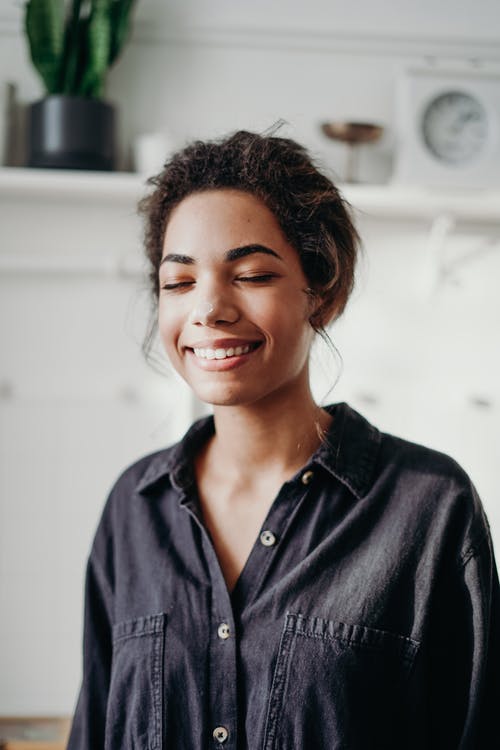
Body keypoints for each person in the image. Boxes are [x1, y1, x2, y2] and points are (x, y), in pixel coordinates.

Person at [67, 128, 499, 750]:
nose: (208, 308)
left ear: (321, 293)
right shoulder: (133, 507)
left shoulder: (430, 508)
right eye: (179, 282)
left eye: (251, 274)